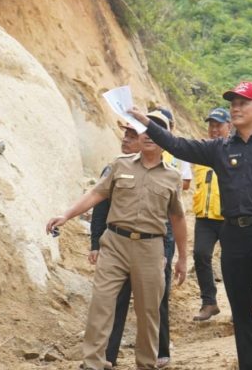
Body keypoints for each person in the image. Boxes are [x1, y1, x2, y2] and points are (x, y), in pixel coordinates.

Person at [129, 81, 252, 370]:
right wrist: (147, 123)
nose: (235, 107)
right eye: (232, 103)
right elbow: (178, 145)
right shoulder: (219, 148)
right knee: (241, 304)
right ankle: (248, 364)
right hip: (233, 234)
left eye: (242, 103)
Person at [46, 110, 188, 370]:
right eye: (146, 128)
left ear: (166, 137)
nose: (149, 135)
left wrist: (182, 258)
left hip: (150, 248)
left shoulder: (172, 176)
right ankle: (93, 363)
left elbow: (178, 219)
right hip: (115, 244)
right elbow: (95, 194)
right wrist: (65, 215)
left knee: (148, 313)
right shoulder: (120, 165)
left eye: (158, 130)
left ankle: (146, 363)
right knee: (101, 303)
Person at [89, 122, 141, 369]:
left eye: (132, 137)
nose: (125, 140)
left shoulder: (160, 172)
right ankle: (104, 357)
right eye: (125, 135)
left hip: (147, 249)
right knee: (109, 301)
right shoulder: (112, 168)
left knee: (150, 307)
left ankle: (154, 356)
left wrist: (167, 250)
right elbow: (99, 210)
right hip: (115, 245)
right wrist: (95, 243)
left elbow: (170, 218)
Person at [153, 107, 191, 368]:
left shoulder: (176, 155)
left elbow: (185, 183)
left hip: (164, 227)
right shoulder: (139, 147)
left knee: (160, 290)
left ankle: (161, 347)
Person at [191, 107, 231, 322]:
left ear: (229, 127)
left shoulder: (234, 150)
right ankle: (209, 303)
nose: (214, 129)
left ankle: (239, 304)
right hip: (204, 217)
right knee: (200, 255)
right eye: (211, 125)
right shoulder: (200, 151)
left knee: (232, 262)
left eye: (219, 125)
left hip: (228, 217)